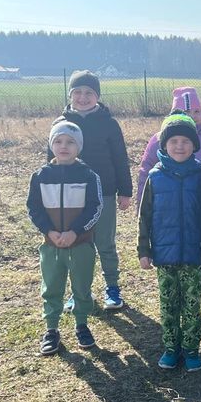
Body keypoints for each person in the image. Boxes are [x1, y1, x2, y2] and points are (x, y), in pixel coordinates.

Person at [137, 114, 201, 371]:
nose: (179, 146)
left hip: (193, 253)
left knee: (191, 304)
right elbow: (144, 216)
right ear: (164, 145)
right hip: (164, 255)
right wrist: (144, 250)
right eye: (173, 141)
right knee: (169, 304)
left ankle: (191, 349)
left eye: (185, 141)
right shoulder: (155, 177)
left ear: (194, 145)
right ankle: (171, 348)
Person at [51, 70, 132, 311]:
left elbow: (120, 159)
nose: (83, 97)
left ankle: (112, 288)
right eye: (78, 92)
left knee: (105, 242)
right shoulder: (61, 123)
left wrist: (125, 191)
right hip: (71, 195)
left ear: (97, 96)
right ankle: (79, 291)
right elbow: (51, 159)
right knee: (76, 244)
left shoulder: (109, 124)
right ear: (70, 94)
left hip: (103, 192)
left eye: (89, 92)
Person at [136, 86, 201, 314]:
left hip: (197, 206)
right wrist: (140, 201)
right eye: (185, 112)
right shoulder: (159, 139)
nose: (192, 116)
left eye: (196, 111)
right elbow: (146, 171)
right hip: (168, 211)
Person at [28, 120, 103, 355]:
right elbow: (33, 208)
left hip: (80, 244)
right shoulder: (40, 176)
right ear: (51, 145)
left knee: (82, 286)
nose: (64, 146)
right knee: (51, 286)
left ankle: (82, 324)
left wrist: (75, 232)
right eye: (58, 141)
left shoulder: (89, 176)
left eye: (70, 142)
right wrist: (49, 231)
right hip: (51, 245)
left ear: (79, 147)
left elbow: (95, 207)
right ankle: (51, 329)